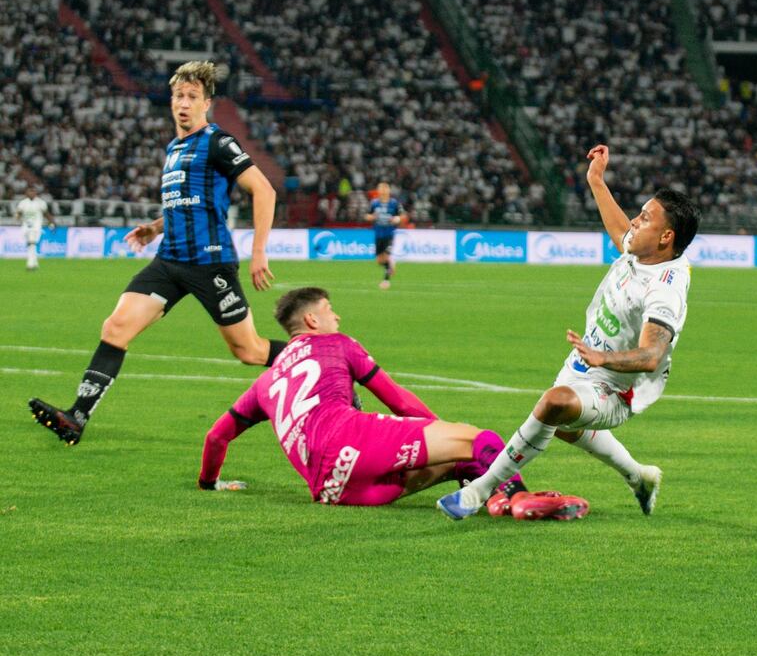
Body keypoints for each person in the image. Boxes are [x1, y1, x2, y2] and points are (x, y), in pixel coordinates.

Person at [29, 61, 287, 445]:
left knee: (249, 351)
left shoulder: (218, 142)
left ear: (207, 103)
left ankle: (324, 359)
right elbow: (184, 202)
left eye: (192, 97)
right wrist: (154, 227)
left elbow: (264, 190)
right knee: (116, 327)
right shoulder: (175, 148)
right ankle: (76, 417)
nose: (184, 104)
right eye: (178, 96)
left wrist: (259, 251)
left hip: (209, 262)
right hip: (168, 262)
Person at [437, 144, 699, 521]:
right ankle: (639, 476)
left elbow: (651, 355)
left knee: (554, 404)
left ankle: (478, 491)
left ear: (666, 237)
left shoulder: (665, 288)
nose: (635, 222)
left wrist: (602, 358)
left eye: (645, 218)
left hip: (617, 387)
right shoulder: (647, 251)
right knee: (558, 426)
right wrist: (596, 181)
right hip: (586, 361)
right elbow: (621, 233)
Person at [197, 287, 587, 518]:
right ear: (313, 321)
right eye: (330, 311)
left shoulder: (266, 382)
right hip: (349, 439)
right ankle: (519, 499)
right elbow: (398, 400)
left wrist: (210, 483)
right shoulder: (336, 343)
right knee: (480, 441)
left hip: (335, 491)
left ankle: (497, 502)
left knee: (461, 463)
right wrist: (443, 429)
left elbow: (217, 437)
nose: (337, 317)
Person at [365, 181, 402, 290]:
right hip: (378, 234)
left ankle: (386, 280)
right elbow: (367, 215)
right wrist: (371, 217)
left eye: (385, 188)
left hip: (389, 234)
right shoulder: (374, 203)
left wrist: (397, 219)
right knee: (379, 261)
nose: (383, 191)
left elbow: (403, 215)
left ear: (389, 190)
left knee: (386, 256)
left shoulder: (394, 203)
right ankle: (390, 264)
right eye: (380, 188)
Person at [14, 184, 54, 271]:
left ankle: (30, 264)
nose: (32, 193)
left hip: (36, 227)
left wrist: (51, 222)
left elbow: (46, 214)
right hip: (26, 227)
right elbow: (19, 213)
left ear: (36, 193)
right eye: (30, 191)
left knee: (32, 244)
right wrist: (17, 216)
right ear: (26, 193)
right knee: (31, 245)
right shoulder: (23, 203)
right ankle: (35, 263)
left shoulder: (41, 203)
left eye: (33, 191)